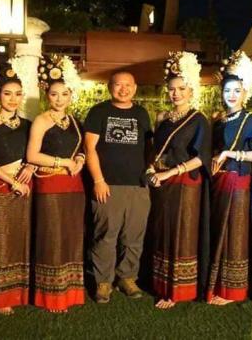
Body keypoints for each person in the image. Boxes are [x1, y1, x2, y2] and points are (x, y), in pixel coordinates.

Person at [146, 51, 211, 310]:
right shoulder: (163, 118)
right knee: (162, 231)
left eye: (182, 89)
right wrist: (151, 169)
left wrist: (170, 173)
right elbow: (155, 151)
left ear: (191, 91)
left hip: (185, 184)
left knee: (180, 233)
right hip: (161, 183)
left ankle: (176, 290)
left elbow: (201, 158)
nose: (176, 94)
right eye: (172, 89)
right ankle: (160, 283)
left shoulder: (199, 120)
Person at [84, 71, 152, 304]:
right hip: (108, 185)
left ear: (135, 87)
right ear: (109, 87)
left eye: (128, 85)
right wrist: (98, 180)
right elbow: (89, 148)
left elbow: (149, 147)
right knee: (106, 235)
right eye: (118, 85)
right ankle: (103, 282)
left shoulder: (141, 113)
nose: (123, 89)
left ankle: (127, 278)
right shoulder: (99, 111)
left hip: (138, 185)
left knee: (134, 236)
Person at [26, 54, 86, 313]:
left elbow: (81, 149)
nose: (59, 99)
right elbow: (32, 155)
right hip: (50, 185)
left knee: (72, 236)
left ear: (71, 95)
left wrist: (80, 158)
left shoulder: (75, 121)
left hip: (74, 186)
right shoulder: (42, 120)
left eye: (64, 94)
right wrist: (63, 162)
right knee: (52, 236)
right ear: (46, 95)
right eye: (54, 94)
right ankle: (51, 295)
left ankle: (71, 291)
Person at [207, 51, 252, 305]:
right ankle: (215, 283)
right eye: (227, 90)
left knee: (235, 234)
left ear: (245, 93)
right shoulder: (220, 121)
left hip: (237, 182)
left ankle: (233, 291)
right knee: (218, 231)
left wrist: (231, 153)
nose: (231, 95)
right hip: (219, 182)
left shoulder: (250, 120)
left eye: (237, 90)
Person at [0, 59, 35, 315]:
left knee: (21, 239)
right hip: (0, 187)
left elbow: (35, 153)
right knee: (0, 240)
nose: (13, 99)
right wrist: (13, 182)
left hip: (26, 188)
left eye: (18, 94)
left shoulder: (28, 124)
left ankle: (20, 290)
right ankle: (0, 296)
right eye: (8, 93)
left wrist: (31, 166)